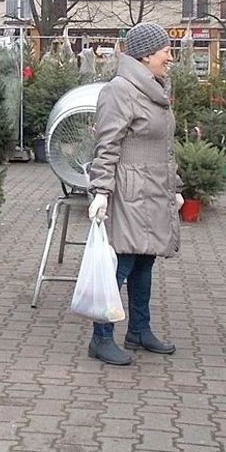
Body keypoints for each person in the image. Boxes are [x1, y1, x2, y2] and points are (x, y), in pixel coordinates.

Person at [86, 22, 182, 366]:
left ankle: (139, 330)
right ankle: (101, 337)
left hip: (154, 190)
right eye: (166, 51)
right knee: (120, 264)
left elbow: (164, 146)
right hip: (128, 193)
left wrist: (175, 187)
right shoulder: (119, 91)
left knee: (145, 260)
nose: (170, 57)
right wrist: (101, 191)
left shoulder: (154, 89)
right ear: (145, 55)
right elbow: (107, 145)